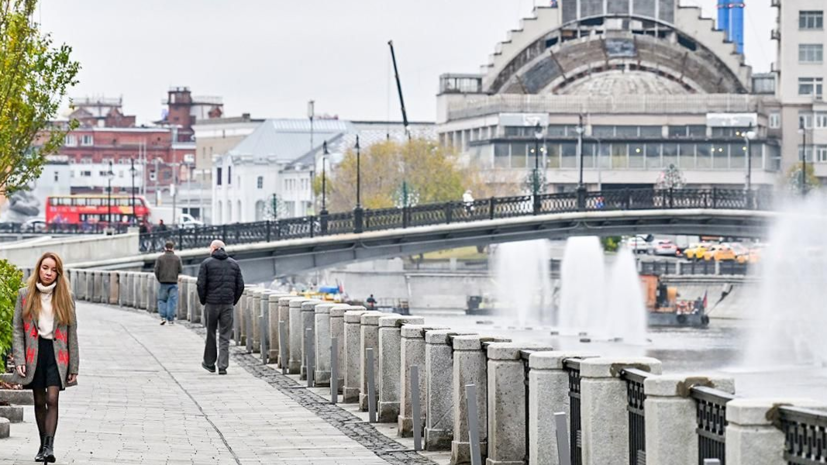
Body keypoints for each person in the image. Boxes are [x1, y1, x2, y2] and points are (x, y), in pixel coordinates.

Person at [11, 252, 79, 463]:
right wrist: (20, 360)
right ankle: (42, 446)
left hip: (57, 354)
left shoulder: (66, 296)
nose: (48, 273)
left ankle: (49, 446)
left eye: (53, 270)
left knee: (52, 398)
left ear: (59, 273)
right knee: (39, 401)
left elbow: (72, 332)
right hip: (34, 353)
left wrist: (74, 366)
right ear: (38, 269)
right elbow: (17, 330)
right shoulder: (25, 295)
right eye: (45, 268)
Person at [197, 240, 244, 375]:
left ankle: (210, 363)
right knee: (225, 335)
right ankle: (223, 366)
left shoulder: (206, 263)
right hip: (227, 304)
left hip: (211, 304)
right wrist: (232, 301)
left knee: (211, 333)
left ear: (214, 249)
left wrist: (204, 300)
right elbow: (240, 285)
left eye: (210, 248)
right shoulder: (234, 264)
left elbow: (201, 284)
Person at [154, 241, 183, 325]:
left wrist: (160, 279)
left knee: (162, 300)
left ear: (165, 248)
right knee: (172, 301)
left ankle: (163, 317)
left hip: (163, 282)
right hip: (173, 282)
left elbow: (156, 270)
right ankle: (171, 319)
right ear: (173, 248)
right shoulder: (177, 258)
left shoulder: (160, 258)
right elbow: (180, 270)